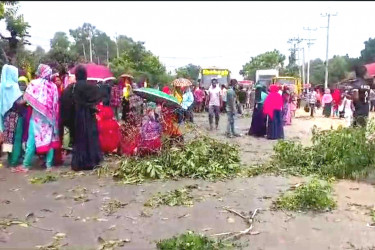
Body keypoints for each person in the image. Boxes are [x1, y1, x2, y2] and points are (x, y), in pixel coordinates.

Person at [15, 64, 60, 173]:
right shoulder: (53, 86)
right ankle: (49, 165)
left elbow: (25, 99)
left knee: (31, 141)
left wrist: (17, 103)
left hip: (36, 118)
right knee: (49, 140)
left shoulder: (34, 84)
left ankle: (26, 165)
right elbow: (55, 103)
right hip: (49, 119)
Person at [71, 64, 103, 171]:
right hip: (88, 114)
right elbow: (99, 96)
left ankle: (79, 163)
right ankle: (91, 161)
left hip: (78, 114)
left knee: (79, 138)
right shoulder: (90, 86)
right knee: (90, 136)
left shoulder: (74, 87)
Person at [0, 64, 25, 169]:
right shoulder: (14, 87)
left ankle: (10, 160)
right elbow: (19, 102)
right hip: (16, 115)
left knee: (8, 138)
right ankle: (14, 161)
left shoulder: (2, 86)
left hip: (5, 116)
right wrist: (27, 99)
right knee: (17, 138)